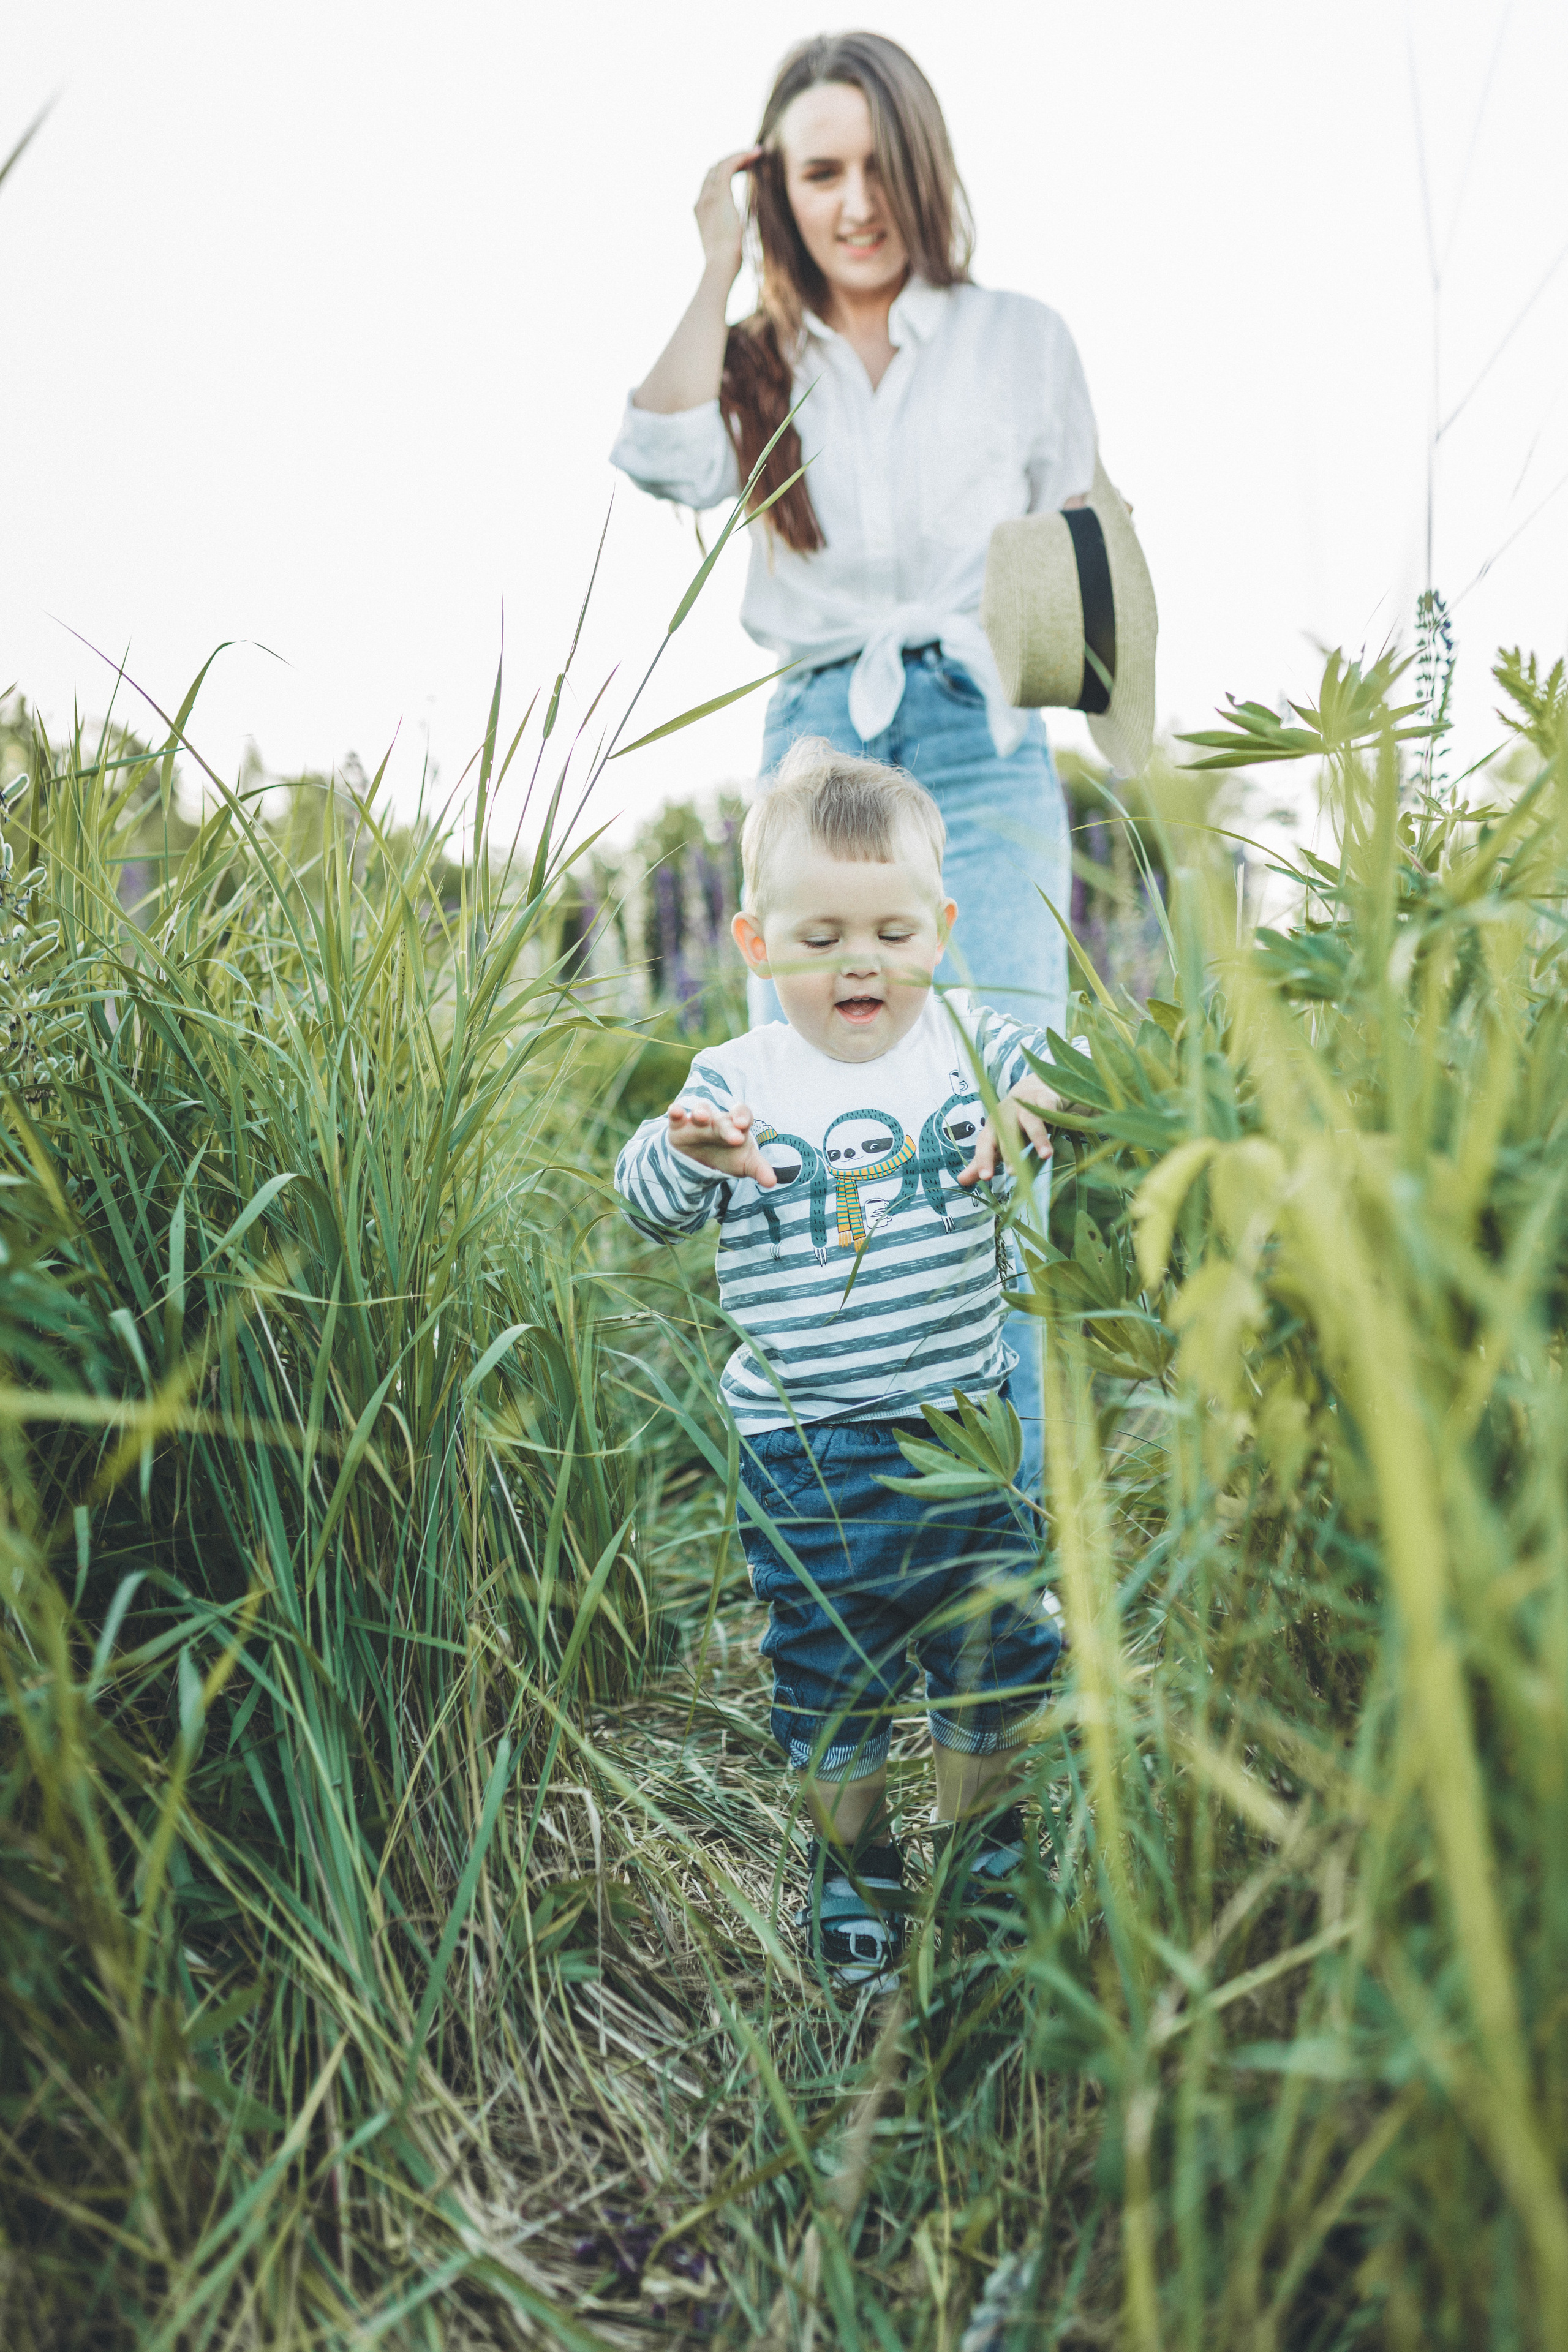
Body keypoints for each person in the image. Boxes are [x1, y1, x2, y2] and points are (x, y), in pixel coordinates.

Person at [609, 30, 1098, 1499]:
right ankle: (850, 1520)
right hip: (818, 734)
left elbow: (1082, 538)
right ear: (780, 189)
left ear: (922, 165)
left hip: (981, 729)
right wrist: (716, 261)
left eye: (878, 166)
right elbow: (656, 453)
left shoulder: (1019, 339)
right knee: (819, 1108)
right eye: (819, 172)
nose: (856, 202)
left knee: (1008, 1115)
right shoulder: (756, 357)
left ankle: (1004, 1539)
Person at [614, 742, 1063, 1983]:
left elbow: (1054, 1095)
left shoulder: (974, 1042)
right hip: (809, 1456)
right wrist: (686, 1154)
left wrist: (1035, 1112)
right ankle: (854, 1867)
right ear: (755, 945)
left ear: (940, 931)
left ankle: (981, 1849)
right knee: (830, 1676)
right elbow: (644, 1201)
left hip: (967, 1430)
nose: (859, 961)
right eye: (820, 939)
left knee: (993, 1649)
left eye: (890, 932)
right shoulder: (737, 1079)